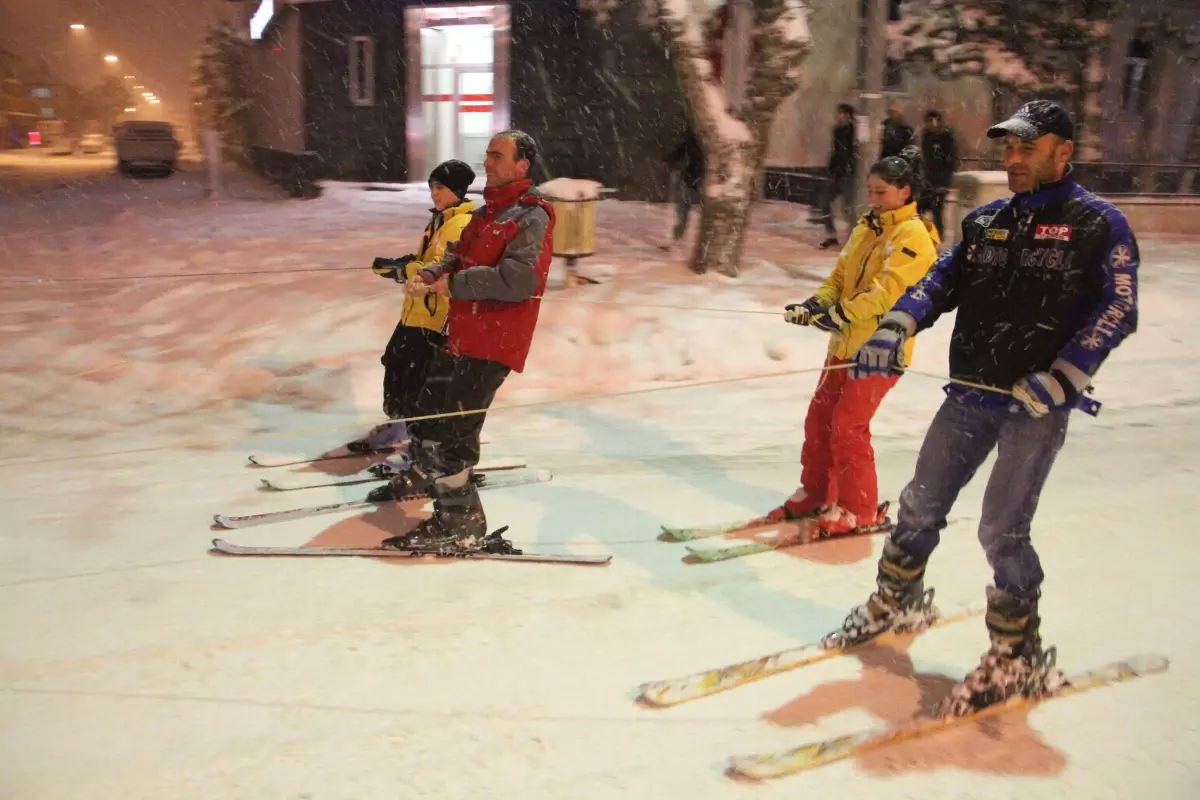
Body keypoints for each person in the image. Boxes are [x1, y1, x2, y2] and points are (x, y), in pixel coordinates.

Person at [828, 100, 1139, 717]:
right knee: (919, 502)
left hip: (1036, 403)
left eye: (1028, 147)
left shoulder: (1100, 224)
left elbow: (1117, 309)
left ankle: (1018, 656)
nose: (1014, 158)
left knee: (1001, 528)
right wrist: (894, 325)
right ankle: (898, 600)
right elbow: (939, 281)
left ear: (1063, 151)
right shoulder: (986, 220)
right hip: (971, 393)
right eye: (1009, 148)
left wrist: (1065, 377)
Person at [370, 130, 555, 552]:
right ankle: (436, 491)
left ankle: (460, 522)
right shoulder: (490, 211)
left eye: (497, 155)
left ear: (522, 165)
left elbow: (518, 279)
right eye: (487, 154)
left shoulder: (531, 215)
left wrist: (454, 284)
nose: (487, 162)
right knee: (429, 415)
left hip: (494, 340)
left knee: (454, 432)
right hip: (462, 334)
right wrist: (435, 271)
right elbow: (460, 251)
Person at [777, 145, 939, 538]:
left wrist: (842, 313)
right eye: (871, 190)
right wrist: (816, 305)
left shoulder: (913, 235)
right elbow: (840, 277)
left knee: (848, 427)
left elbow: (887, 293)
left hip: (880, 351)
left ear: (905, 192)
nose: (874, 199)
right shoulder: (868, 226)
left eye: (882, 191)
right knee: (820, 420)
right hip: (843, 346)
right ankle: (817, 493)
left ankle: (859, 507)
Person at [348, 159, 478, 454]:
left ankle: (420, 443)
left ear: (456, 190)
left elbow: (441, 267)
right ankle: (399, 425)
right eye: (432, 187)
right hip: (415, 311)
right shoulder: (440, 219)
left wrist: (403, 269)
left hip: (434, 318)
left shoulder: (461, 223)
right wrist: (403, 264)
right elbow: (426, 260)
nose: (434, 193)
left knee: (417, 377)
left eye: (440, 187)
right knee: (395, 362)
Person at [817, 103, 858, 250]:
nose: (839, 116)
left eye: (842, 113)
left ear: (848, 115)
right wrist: (830, 168)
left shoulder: (854, 130)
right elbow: (836, 151)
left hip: (848, 174)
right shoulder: (838, 130)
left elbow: (854, 152)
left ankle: (854, 238)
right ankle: (832, 236)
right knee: (824, 202)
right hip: (836, 173)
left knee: (850, 208)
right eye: (839, 113)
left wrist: (850, 167)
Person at [662, 124, 706, 249]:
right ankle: (678, 238)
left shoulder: (695, 138)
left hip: (696, 177)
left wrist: (669, 160)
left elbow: (682, 150)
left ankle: (678, 238)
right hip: (695, 176)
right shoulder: (696, 138)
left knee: (684, 208)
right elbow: (682, 150)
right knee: (684, 208)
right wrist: (669, 160)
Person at [919, 109, 958, 239]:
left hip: (940, 180)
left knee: (936, 209)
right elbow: (925, 158)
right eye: (928, 121)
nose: (930, 124)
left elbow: (951, 160)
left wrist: (945, 182)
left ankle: (938, 236)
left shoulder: (945, 137)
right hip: (928, 179)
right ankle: (922, 234)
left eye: (932, 121)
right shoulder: (927, 136)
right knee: (921, 207)